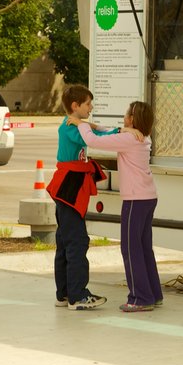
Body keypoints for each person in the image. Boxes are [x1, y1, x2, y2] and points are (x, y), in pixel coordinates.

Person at [68, 101, 162, 313]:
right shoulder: (142, 137)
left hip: (135, 200)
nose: (124, 115)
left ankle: (140, 298)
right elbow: (106, 131)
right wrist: (89, 124)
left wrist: (79, 124)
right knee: (144, 248)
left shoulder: (129, 139)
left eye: (127, 114)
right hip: (148, 197)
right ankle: (153, 293)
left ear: (132, 119)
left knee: (130, 249)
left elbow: (92, 141)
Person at [47, 85, 117, 310]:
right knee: (76, 241)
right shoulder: (70, 127)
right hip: (69, 189)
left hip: (69, 188)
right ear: (75, 106)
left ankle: (65, 293)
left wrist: (109, 129)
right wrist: (120, 132)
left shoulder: (74, 124)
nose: (91, 107)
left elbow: (94, 131)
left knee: (66, 241)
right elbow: (95, 138)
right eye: (88, 104)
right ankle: (77, 295)